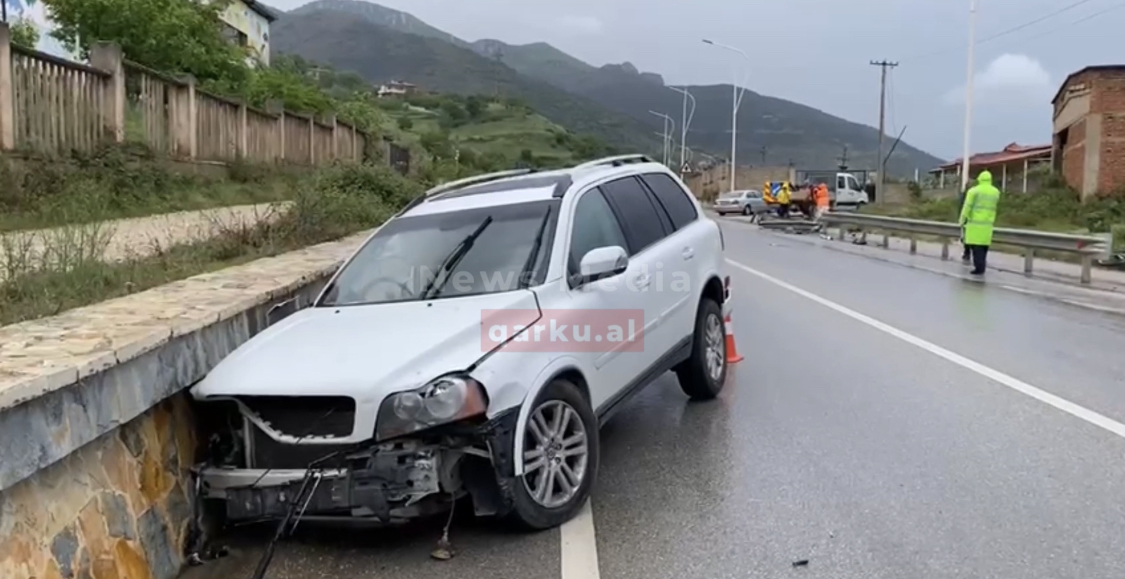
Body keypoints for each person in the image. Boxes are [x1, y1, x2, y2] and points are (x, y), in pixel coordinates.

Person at [959, 170, 1001, 275]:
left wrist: (962, 220)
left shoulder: (974, 191)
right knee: (984, 247)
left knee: (976, 248)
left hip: (975, 224)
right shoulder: (995, 192)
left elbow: (967, 207)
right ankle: (982, 266)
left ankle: (979, 268)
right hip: (988, 224)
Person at [958, 184, 971, 262]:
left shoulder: (965, 195)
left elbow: (961, 207)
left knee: (967, 238)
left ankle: (967, 253)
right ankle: (967, 252)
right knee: (967, 238)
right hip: (969, 219)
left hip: (967, 219)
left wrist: (961, 219)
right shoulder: (969, 195)